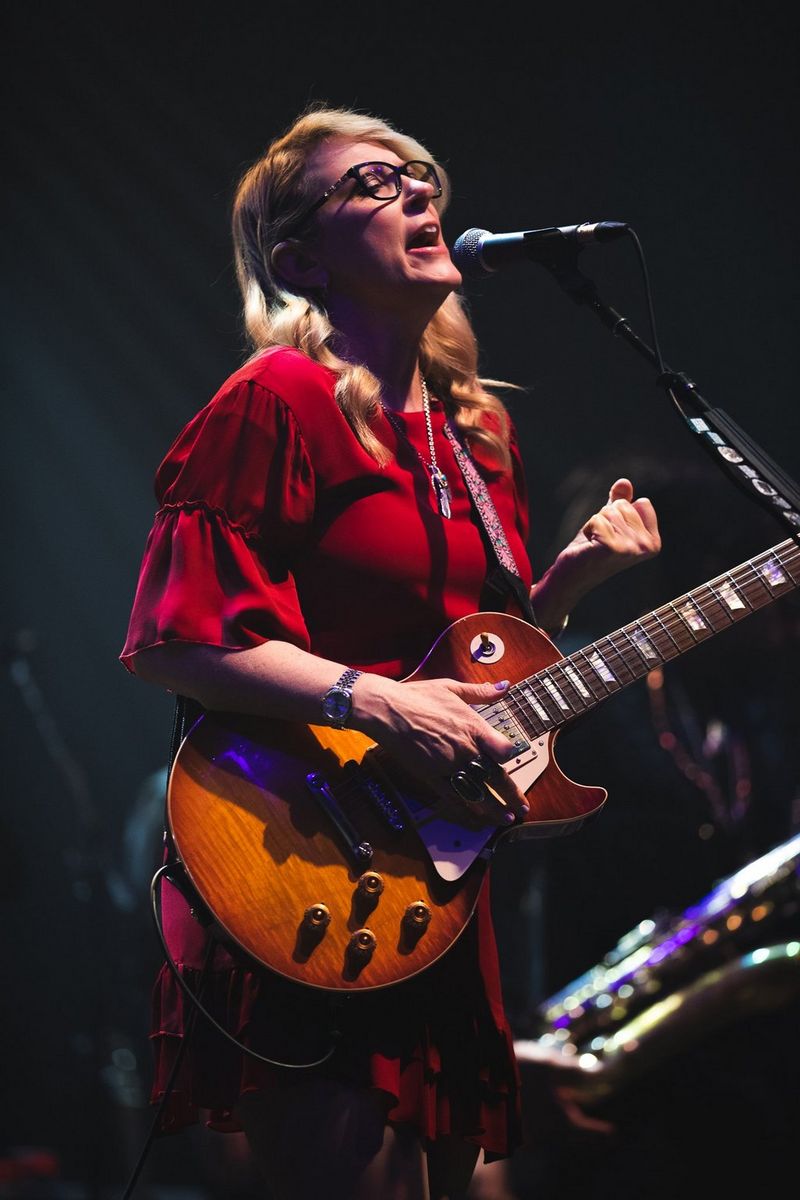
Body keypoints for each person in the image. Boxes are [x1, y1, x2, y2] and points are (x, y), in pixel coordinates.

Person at [120, 104, 661, 1200]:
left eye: (418, 175)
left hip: (432, 873)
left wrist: (567, 585)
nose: (418, 191)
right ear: (299, 261)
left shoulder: (477, 432)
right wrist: (377, 703)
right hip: (305, 849)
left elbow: (473, 673)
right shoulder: (276, 400)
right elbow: (175, 636)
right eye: (372, 183)